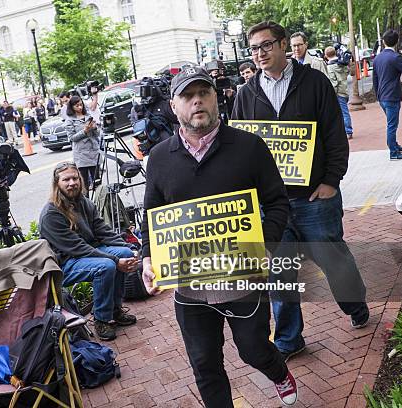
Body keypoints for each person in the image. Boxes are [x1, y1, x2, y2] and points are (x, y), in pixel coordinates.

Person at [140, 66, 296, 407]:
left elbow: (277, 202)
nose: (197, 101)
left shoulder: (249, 147)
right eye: (187, 96)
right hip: (189, 285)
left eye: (204, 93)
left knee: (255, 350)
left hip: (242, 277)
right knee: (205, 365)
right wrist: (148, 259)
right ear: (173, 106)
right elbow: (151, 216)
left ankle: (278, 371)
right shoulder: (159, 158)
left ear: (216, 98)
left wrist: (263, 245)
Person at [232, 20, 369, 362]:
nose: (259, 54)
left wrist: (331, 181)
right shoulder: (245, 95)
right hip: (270, 205)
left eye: (266, 46)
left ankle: (354, 303)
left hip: (314, 199)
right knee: (280, 271)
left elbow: (335, 135)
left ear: (282, 46)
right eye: (254, 49)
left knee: (334, 260)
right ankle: (289, 341)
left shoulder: (314, 82)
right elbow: (237, 149)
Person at [39, 161, 138, 341]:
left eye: (75, 178)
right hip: (64, 263)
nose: (72, 183)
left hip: (88, 253)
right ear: (57, 183)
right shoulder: (51, 214)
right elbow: (78, 248)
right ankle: (101, 319)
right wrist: (116, 262)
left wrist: (130, 248)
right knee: (106, 266)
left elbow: (104, 231)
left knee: (125, 254)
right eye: (66, 179)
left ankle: (115, 310)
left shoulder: (83, 202)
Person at [373, 29, 402, 160]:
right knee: (392, 125)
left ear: (384, 41)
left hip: (382, 96)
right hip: (392, 96)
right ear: (397, 42)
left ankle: (394, 145)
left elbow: (375, 79)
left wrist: (377, 95)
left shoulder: (378, 58)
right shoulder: (395, 57)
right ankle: (393, 152)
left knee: (391, 123)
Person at [65, 95, 100, 191]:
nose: (80, 107)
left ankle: (100, 204)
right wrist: (84, 131)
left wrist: (95, 128)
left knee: (97, 182)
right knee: (84, 184)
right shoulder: (70, 120)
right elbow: (72, 138)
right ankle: (86, 204)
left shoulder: (88, 116)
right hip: (81, 154)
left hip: (93, 151)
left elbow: (97, 135)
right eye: (77, 106)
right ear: (72, 107)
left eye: (81, 105)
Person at [325, 46, 354, 139]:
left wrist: (331, 95)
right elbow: (348, 73)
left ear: (326, 56)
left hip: (337, 93)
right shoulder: (342, 64)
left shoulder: (330, 67)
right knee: (344, 112)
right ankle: (347, 130)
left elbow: (333, 83)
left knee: (342, 113)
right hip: (345, 90)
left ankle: (348, 131)